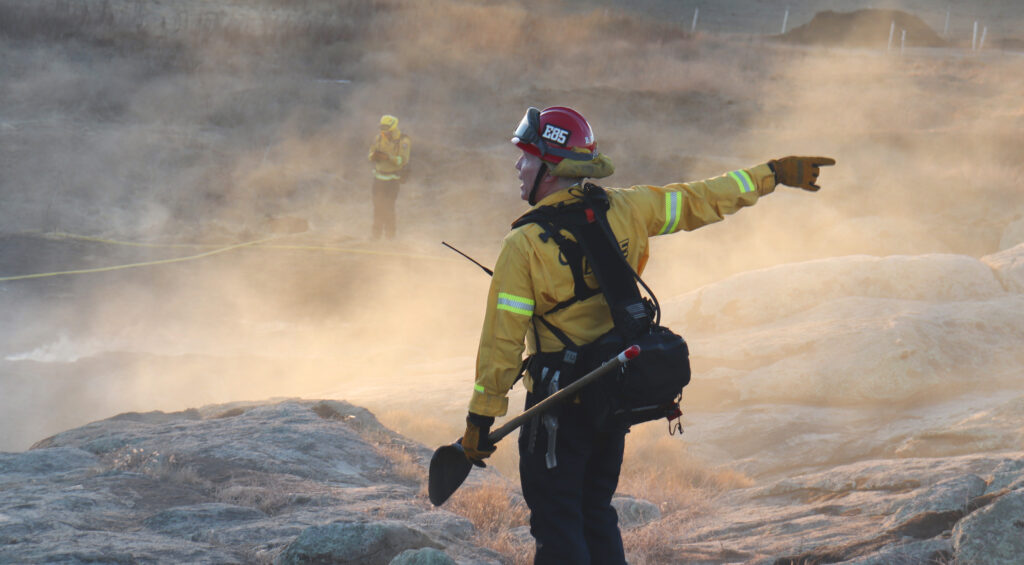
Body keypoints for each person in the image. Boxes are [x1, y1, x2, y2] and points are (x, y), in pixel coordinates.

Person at [457, 106, 835, 564]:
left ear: (552, 170)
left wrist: (480, 420)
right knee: (595, 515)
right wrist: (771, 174)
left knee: (558, 523)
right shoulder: (626, 208)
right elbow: (701, 199)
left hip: (558, 408)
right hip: (613, 400)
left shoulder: (523, 245)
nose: (518, 166)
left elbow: (502, 342)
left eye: (528, 158)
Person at [367, 114, 411, 239]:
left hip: (392, 180)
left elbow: (403, 160)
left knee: (389, 208)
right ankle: (376, 235)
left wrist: (387, 158)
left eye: (387, 131)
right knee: (377, 207)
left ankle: (390, 236)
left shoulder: (403, 141)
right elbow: (370, 155)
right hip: (378, 179)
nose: (384, 133)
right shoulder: (378, 138)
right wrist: (374, 156)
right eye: (382, 130)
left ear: (393, 129)